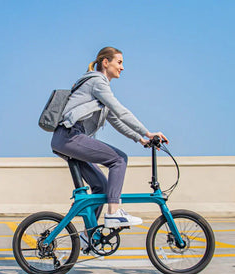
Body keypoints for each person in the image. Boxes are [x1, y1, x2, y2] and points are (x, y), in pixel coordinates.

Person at [51, 47, 168, 248]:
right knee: (119, 159)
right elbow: (121, 111)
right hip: (70, 135)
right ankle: (114, 213)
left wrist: (141, 139)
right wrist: (148, 132)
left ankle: (90, 236)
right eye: (119, 62)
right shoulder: (97, 82)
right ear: (106, 62)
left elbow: (116, 120)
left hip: (66, 139)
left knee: (102, 187)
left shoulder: (99, 89)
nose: (123, 67)